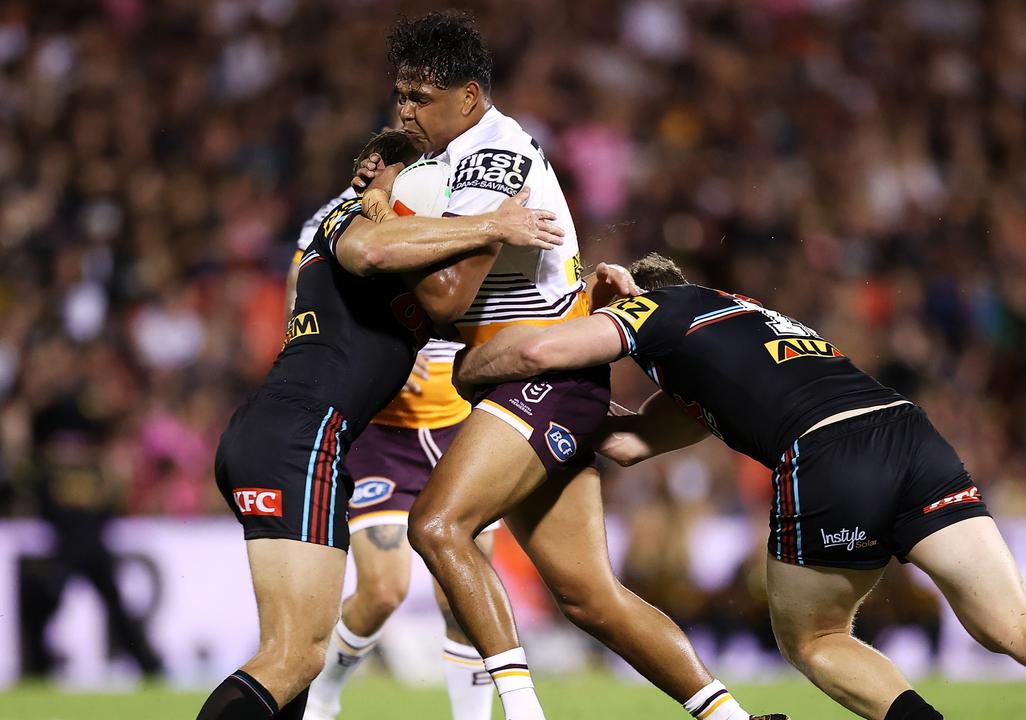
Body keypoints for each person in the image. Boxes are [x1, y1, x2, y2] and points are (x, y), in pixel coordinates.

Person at [454, 252, 1026, 720]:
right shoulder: (738, 326)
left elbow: (542, 351)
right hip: (907, 431)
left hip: (829, 452)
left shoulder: (656, 311)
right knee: (1017, 625)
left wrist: (470, 365)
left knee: (813, 640)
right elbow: (630, 443)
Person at [363, 13, 784, 720]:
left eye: (419, 97)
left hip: (539, 378)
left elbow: (448, 298)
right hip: (531, 381)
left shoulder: (491, 160)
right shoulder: (450, 159)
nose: (404, 110)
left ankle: (523, 714)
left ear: (468, 97)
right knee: (592, 597)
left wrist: (378, 232)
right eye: (399, 94)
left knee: (438, 527)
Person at [193, 131, 563, 720]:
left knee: (294, 658)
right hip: (304, 436)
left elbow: (478, 326)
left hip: (292, 434)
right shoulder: (347, 220)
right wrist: (493, 225)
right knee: (293, 657)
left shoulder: (419, 261)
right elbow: (369, 251)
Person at [285, 131, 497, 720]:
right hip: (383, 428)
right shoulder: (334, 223)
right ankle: (326, 687)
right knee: (383, 589)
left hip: (459, 423)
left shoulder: (459, 211)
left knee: (465, 590)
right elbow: (298, 313)